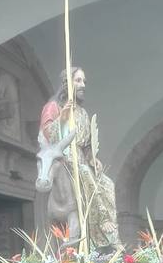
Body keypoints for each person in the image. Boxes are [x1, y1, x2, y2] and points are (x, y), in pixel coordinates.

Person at [39, 67, 119, 248]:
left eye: (84, 81)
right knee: (82, 173)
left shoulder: (83, 113)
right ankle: (99, 221)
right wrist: (63, 118)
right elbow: (48, 136)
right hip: (62, 159)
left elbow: (88, 144)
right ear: (66, 83)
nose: (83, 85)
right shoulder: (53, 107)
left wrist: (93, 158)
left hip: (82, 160)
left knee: (107, 184)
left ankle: (107, 233)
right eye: (78, 80)